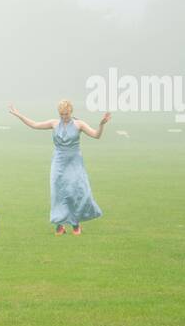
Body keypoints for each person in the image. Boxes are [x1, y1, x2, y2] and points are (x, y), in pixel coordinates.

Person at [8, 101, 109, 235]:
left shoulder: (79, 124)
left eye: (66, 114)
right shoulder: (54, 123)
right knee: (58, 192)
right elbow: (34, 125)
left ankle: (75, 223)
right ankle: (59, 225)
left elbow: (96, 135)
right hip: (59, 161)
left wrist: (101, 125)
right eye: (61, 114)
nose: (64, 117)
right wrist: (18, 115)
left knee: (75, 191)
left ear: (71, 112)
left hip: (74, 161)